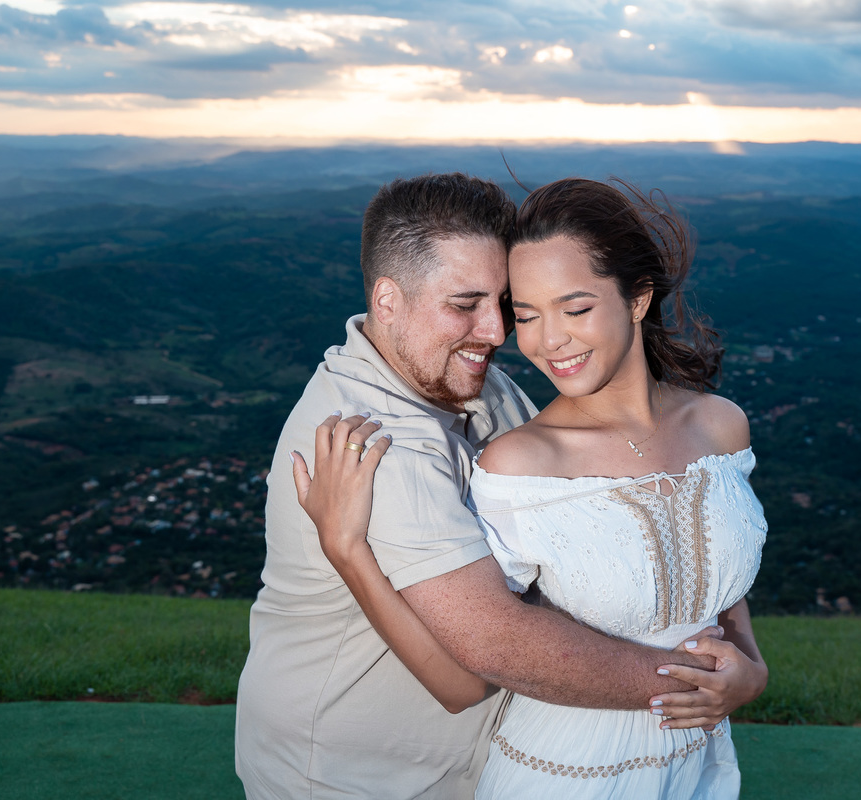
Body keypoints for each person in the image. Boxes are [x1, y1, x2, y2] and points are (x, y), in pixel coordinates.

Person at [294, 176, 768, 798]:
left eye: (575, 309)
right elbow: (477, 658)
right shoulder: (517, 462)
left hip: (698, 767)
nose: (545, 340)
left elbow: (714, 571)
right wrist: (346, 548)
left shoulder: (721, 426)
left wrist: (752, 667)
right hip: (564, 772)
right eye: (527, 315)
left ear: (637, 299)